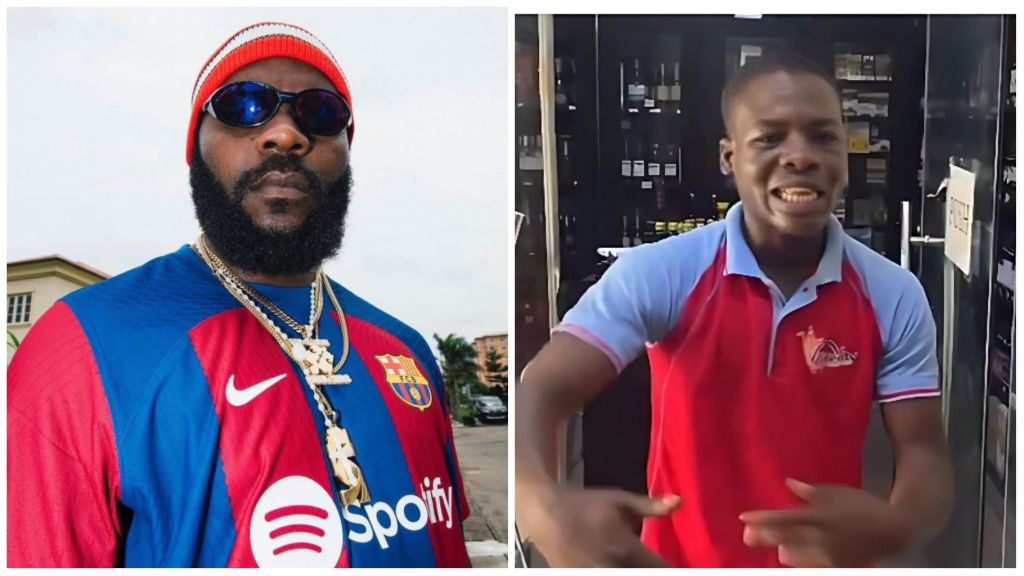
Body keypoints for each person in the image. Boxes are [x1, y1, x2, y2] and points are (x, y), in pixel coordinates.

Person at [7, 22, 470, 568]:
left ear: (347, 149)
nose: (284, 134)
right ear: (194, 145)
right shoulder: (84, 347)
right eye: (243, 104)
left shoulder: (405, 348)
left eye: (320, 112)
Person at [516, 52, 953, 568]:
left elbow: (924, 449)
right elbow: (544, 388)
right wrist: (539, 506)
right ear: (729, 158)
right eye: (769, 138)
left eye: (823, 136)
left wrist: (897, 526)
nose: (800, 156)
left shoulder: (892, 293)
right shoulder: (663, 271)